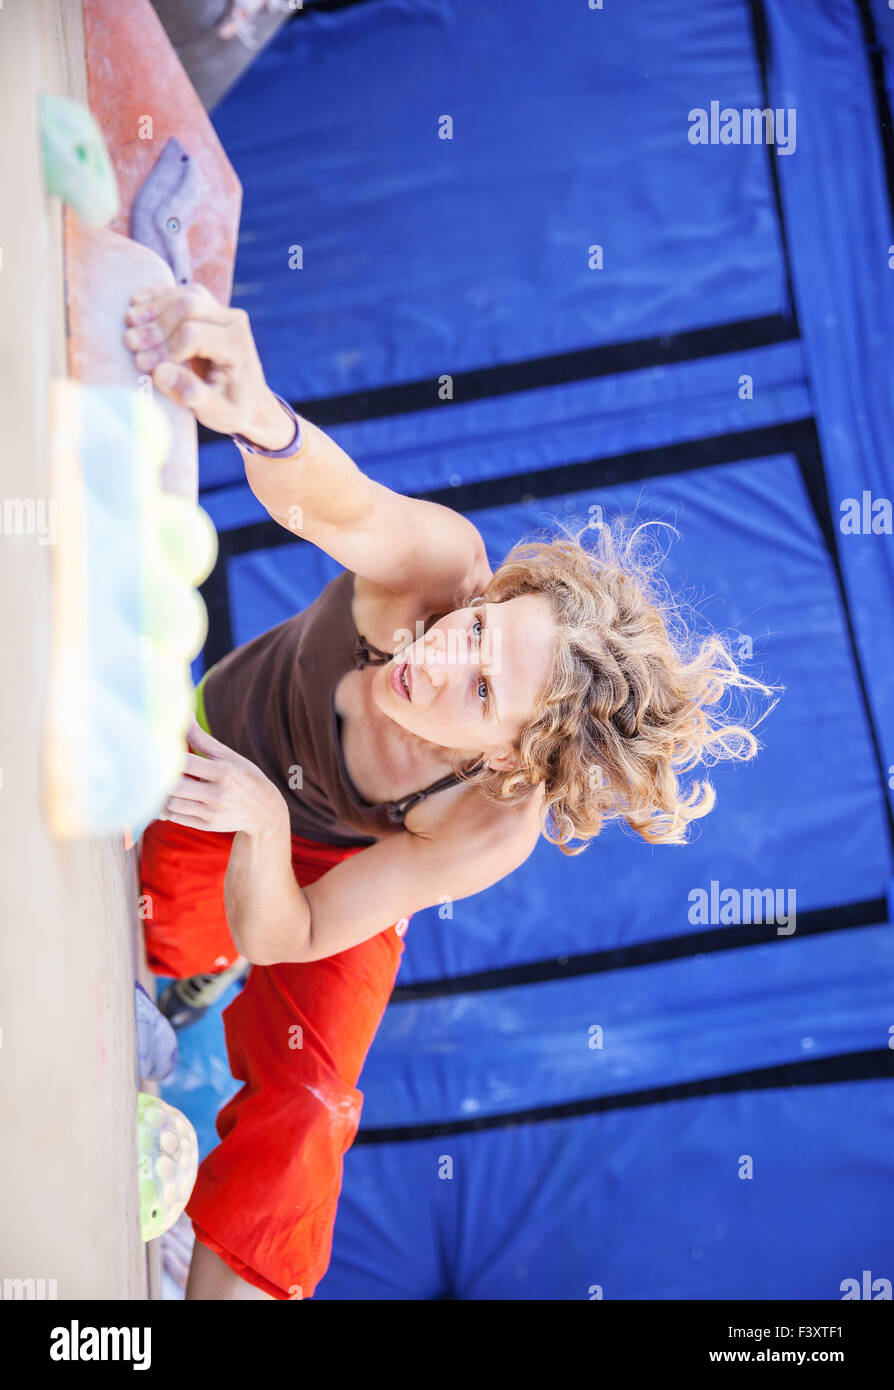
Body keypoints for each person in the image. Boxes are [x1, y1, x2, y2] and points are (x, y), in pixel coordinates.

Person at [125, 283, 781, 1299]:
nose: (440, 658)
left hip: (336, 866)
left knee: (311, 1097)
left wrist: (265, 829)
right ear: (493, 596)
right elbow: (329, 499)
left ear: (508, 757)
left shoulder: (489, 825)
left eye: (481, 692)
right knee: (159, 938)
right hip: (228, 760)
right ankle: (190, 967)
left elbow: (292, 934)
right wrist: (261, 415)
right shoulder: (442, 572)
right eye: (479, 631)